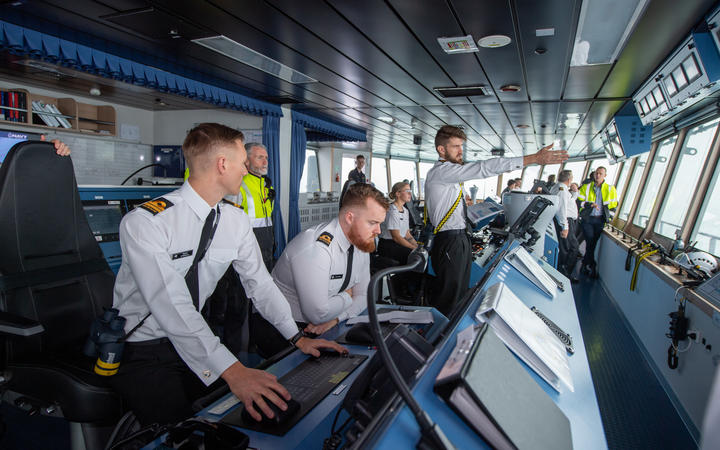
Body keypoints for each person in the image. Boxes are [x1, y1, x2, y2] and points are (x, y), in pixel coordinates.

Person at [110, 123, 345, 426]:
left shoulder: (235, 221)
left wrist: (296, 337)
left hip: (197, 338)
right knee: (179, 431)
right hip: (144, 349)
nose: (247, 171)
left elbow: (260, 284)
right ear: (222, 165)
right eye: (243, 163)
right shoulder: (146, 222)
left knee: (243, 413)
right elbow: (172, 305)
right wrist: (233, 371)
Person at [424, 125, 567, 315]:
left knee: (460, 294)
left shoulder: (449, 176)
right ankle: (439, 337)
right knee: (450, 297)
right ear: (441, 150)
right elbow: (484, 168)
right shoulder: (442, 172)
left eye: (461, 146)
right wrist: (533, 159)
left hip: (460, 238)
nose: (461, 151)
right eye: (455, 146)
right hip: (450, 241)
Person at [269, 184, 389, 346]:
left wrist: (336, 319)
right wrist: (348, 295)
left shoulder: (361, 242)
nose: (378, 231)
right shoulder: (316, 248)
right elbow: (317, 315)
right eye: (373, 222)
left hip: (330, 322)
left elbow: (363, 297)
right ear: (349, 217)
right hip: (286, 329)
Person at [577, 166, 618, 278]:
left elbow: (614, 205)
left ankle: (585, 265)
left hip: (600, 220)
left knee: (592, 244)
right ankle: (592, 266)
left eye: (600, 173)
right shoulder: (586, 187)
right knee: (590, 240)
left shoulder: (610, 189)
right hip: (587, 219)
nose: (598, 175)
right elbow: (578, 201)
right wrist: (589, 205)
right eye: (596, 173)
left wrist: (609, 219)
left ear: (605, 175)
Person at [378, 182, 418, 264]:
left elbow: (407, 234)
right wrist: (413, 248)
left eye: (410, 190)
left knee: (419, 255)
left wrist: (417, 246)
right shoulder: (392, 210)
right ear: (398, 194)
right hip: (388, 245)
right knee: (414, 258)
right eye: (407, 191)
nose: (410, 193)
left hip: (399, 242)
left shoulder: (405, 211)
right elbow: (396, 237)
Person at [550, 170, 579, 281]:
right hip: (565, 222)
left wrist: (575, 193)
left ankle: (563, 273)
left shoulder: (558, 188)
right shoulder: (562, 190)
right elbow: (561, 210)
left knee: (566, 248)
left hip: (565, 222)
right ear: (569, 179)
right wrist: (565, 227)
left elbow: (567, 202)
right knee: (571, 248)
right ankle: (564, 274)